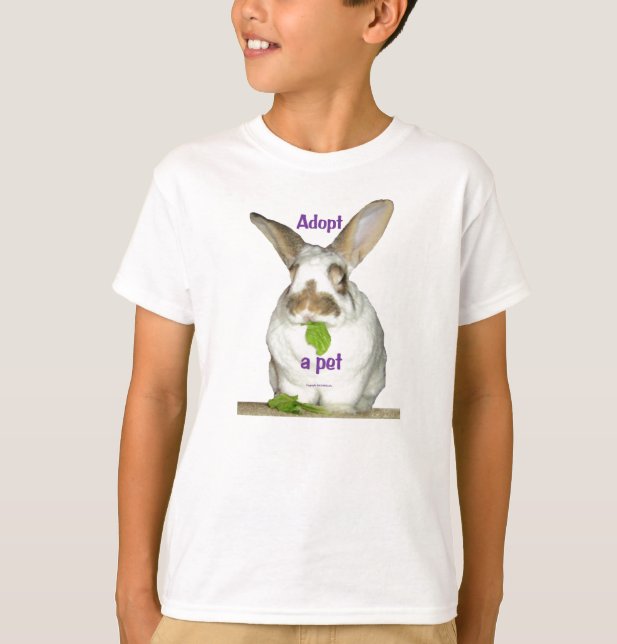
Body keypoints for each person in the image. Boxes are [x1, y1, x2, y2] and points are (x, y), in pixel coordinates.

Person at [112, 1, 531, 643]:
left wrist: (483, 596)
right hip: (219, 597)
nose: (247, 10)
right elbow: (156, 393)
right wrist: (133, 595)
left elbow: (481, 396)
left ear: (379, 15)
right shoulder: (191, 179)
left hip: (398, 604)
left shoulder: (451, 181)